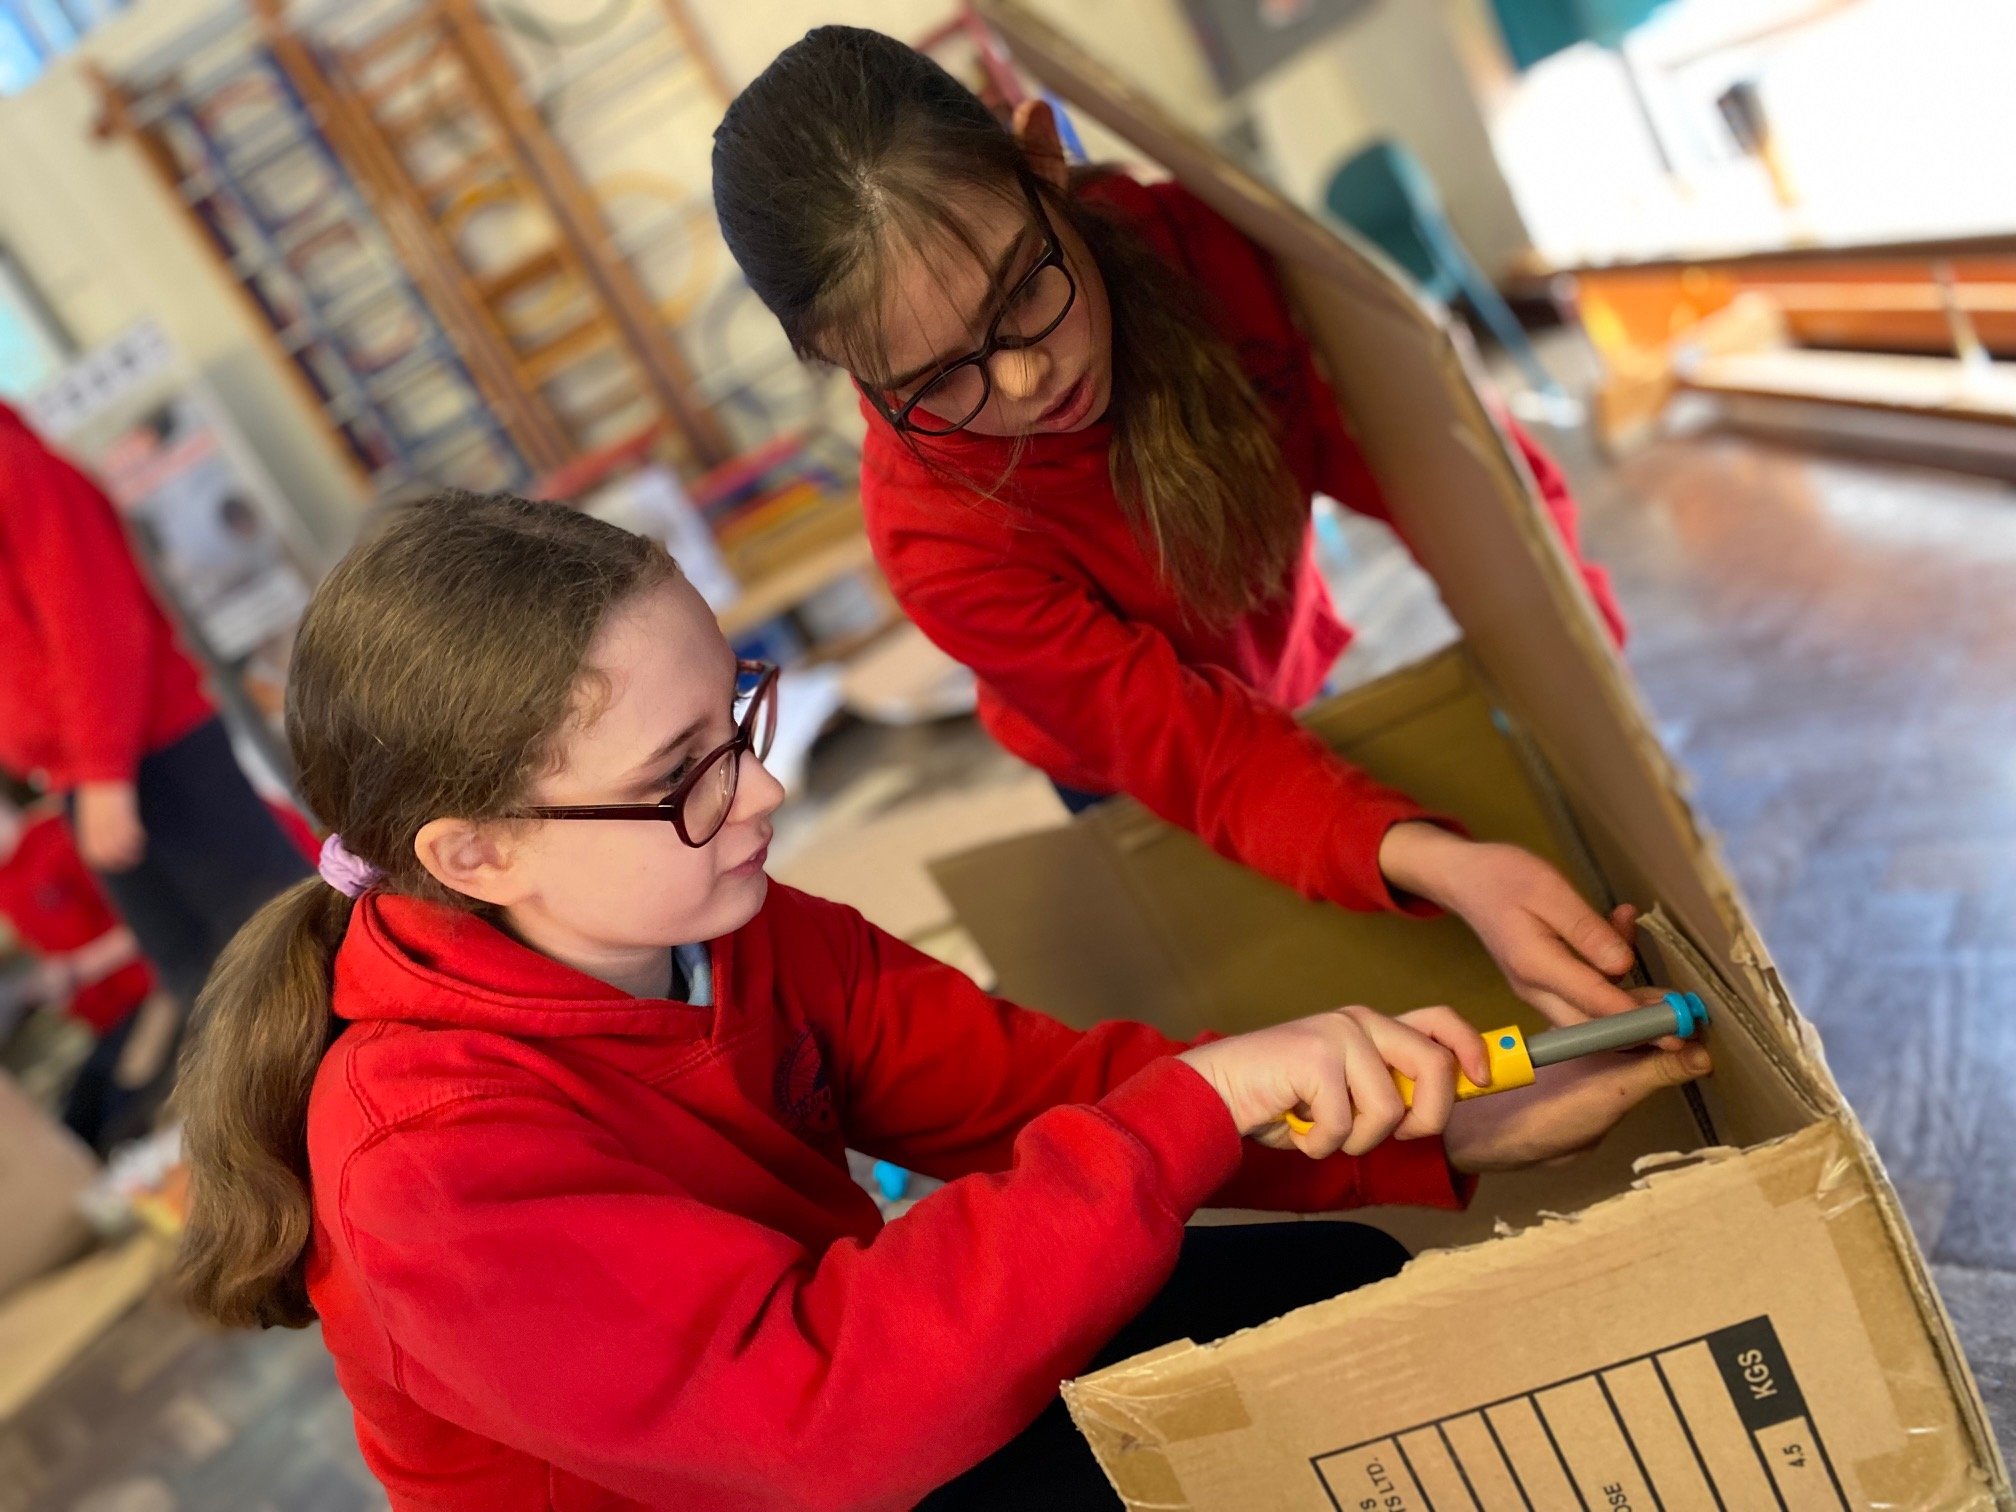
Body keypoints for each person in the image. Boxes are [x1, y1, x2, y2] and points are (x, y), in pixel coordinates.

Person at [173, 492, 1708, 1509]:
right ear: (476, 852)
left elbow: (1042, 1097)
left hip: (855, 1435)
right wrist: (1206, 1100)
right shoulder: (422, 1164)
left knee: (1326, 1294)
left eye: (738, 721)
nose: (762, 790)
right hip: (818, 1461)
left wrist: (1430, 1130)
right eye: (682, 778)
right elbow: (829, 1417)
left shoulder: (740, 929)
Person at [711, 28, 1648, 1036]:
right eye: (939, 378)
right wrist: (1449, 866)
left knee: (1354, 826)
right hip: (1120, 762)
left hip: (1272, 649)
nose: (1026, 379)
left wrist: (1590, 682)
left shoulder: (1213, 249)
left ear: (1043, 159)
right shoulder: (941, 539)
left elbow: (1455, 476)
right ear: (842, 364)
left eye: (1025, 289)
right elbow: (1201, 755)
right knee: (1282, 976)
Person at [0, 402, 312, 1023]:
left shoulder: (15, 467)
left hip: (145, 749)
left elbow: (93, 620)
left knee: (280, 955)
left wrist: (102, 772)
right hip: (89, 767)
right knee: (210, 988)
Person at [0, 788, 176, 1149]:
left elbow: (150, 915)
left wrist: (76, 969)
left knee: (121, 1122)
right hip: (103, 1021)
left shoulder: (59, 835)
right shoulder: (6, 884)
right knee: (71, 1125)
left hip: (153, 993)